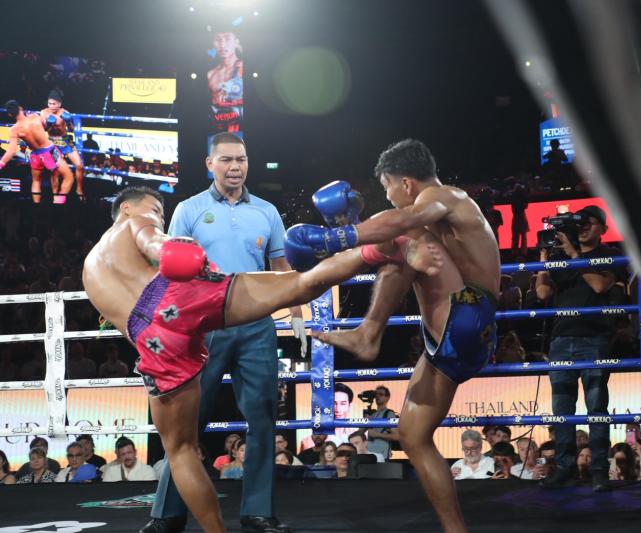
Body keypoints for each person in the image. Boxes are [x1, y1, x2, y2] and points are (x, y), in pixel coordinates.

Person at [81, 186, 442, 533]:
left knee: (181, 451)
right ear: (126, 207)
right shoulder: (135, 221)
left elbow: (127, 318)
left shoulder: (89, 269)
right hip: (175, 297)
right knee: (300, 284)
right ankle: (381, 249)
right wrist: (172, 248)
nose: (158, 216)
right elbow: (154, 241)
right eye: (155, 209)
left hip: (152, 339)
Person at [294, 139, 500, 533]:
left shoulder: (445, 196)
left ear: (405, 183)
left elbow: (403, 223)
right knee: (412, 435)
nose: (388, 196)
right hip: (461, 331)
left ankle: (367, 332)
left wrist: (335, 238)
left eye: (387, 187)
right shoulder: (438, 217)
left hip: (466, 313)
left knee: (404, 237)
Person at [146, 132, 307, 533]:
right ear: (210, 164)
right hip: (202, 326)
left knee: (263, 417)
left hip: (256, 324)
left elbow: (281, 268)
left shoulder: (267, 211)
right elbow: (170, 270)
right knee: (187, 422)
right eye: (227, 160)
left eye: (241, 159)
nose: (235, 167)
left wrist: (297, 311)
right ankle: (167, 515)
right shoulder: (189, 210)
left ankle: (258, 512)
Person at [535, 205, 622, 492]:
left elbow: (599, 286)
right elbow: (542, 292)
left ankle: (599, 471)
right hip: (561, 340)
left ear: (603, 229)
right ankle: (565, 469)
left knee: (596, 407)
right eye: (580, 222)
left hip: (594, 339)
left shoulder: (608, 255)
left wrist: (574, 255)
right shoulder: (562, 256)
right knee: (562, 410)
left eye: (590, 222)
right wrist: (544, 258)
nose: (583, 226)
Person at [0, 100, 74, 203]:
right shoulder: (35, 117)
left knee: (36, 181)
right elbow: (47, 127)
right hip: (50, 152)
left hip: (35, 155)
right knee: (69, 177)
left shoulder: (14, 129)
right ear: (20, 108)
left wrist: (1, 164)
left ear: (10, 114)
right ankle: (59, 202)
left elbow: (11, 151)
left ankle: (36, 206)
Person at [40, 89, 84, 200]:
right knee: (55, 171)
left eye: (54, 104)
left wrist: (68, 121)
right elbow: (43, 130)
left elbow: (72, 130)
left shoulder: (65, 112)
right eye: (50, 103)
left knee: (79, 165)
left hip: (65, 140)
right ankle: (55, 196)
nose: (51, 106)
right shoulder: (44, 113)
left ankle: (79, 189)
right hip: (52, 141)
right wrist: (49, 125)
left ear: (59, 104)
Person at [208, 32, 244, 131]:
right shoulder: (210, 74)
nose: (222, 45)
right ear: (213, 44)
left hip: (242, 130)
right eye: (218, 40)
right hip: (217, 131)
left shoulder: (244, 69)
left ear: (236, 43)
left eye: (227, 39)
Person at [365, 385, 400, 460]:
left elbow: (396, 436)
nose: (377, 397)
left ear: (387, 397)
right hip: (369, 454)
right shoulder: (372, 415)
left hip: (381, 456)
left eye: (381, 394)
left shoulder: (389, 414)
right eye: (376, 395)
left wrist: (377, 434)